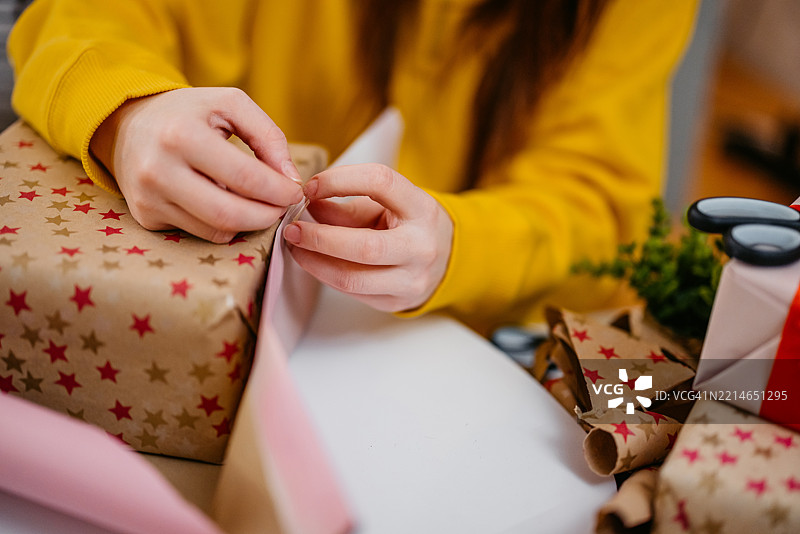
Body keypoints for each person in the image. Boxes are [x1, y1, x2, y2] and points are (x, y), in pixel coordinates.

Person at [8, 0, 698, 335]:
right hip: (216, 314)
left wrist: (457, 243)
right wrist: (132, 115)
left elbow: (598, 208)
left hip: (487, 345)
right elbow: (85, 18)